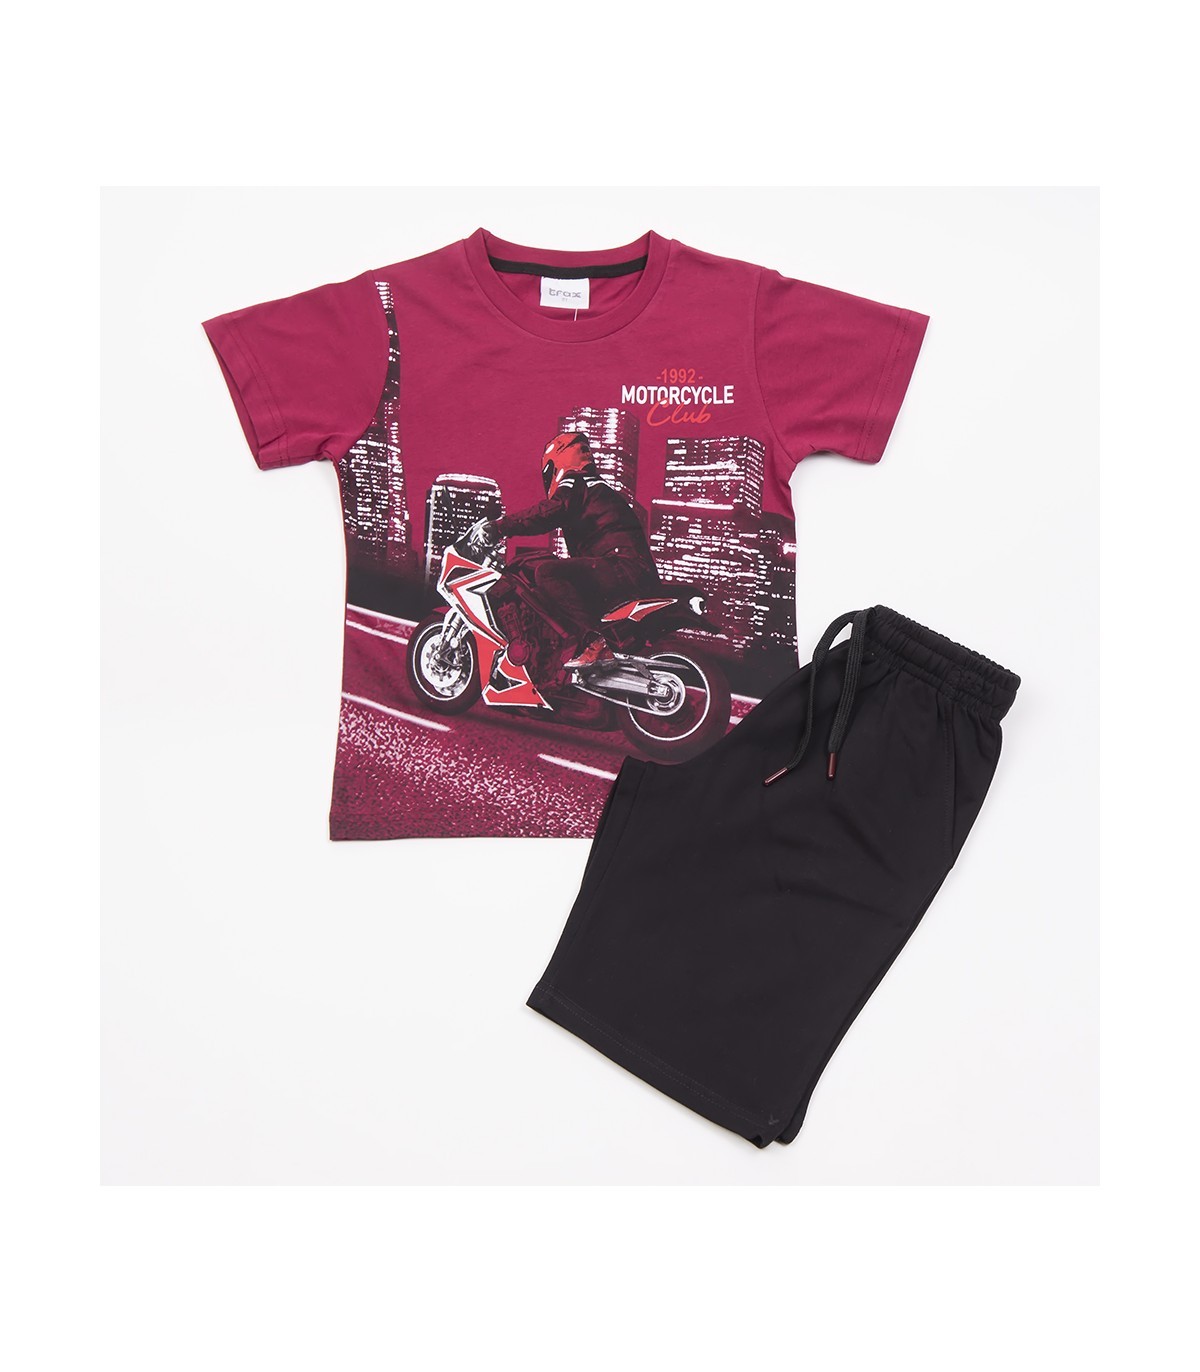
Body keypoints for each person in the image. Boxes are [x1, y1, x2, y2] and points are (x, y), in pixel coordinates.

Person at [468, 432, 659, 667]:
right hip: (628, 570)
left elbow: (550, 511)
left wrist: (499, 527)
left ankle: (595, 645)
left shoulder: (576, 481)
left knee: (547, 573)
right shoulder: (599, 488)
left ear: (557, 461)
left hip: (621, 567)